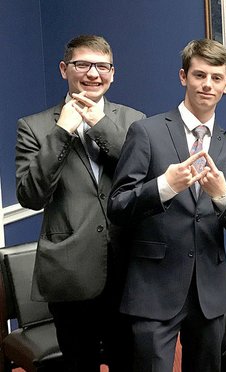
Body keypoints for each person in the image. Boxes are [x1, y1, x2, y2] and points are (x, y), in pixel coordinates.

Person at [108, 39, 226, 372]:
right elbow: (117, 206)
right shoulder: (146, 132)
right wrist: (164, 186)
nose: (207, 84)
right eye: (199, 75)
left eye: (217, 78)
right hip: (153, 287)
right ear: (183, 76)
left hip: (209, 291)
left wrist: (221, 195)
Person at [15, 35, 144, 372]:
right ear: (64, 69)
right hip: (71, 274)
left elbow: (142, 176)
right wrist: (62, 132)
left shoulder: (134, 121)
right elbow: (30, 196)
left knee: (129, 360)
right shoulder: (34, 126)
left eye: (102, 66)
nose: (92, 74)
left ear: (113, 73)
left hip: (128, 270)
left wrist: (97, 126)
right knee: (79, 364)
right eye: (82, 64)